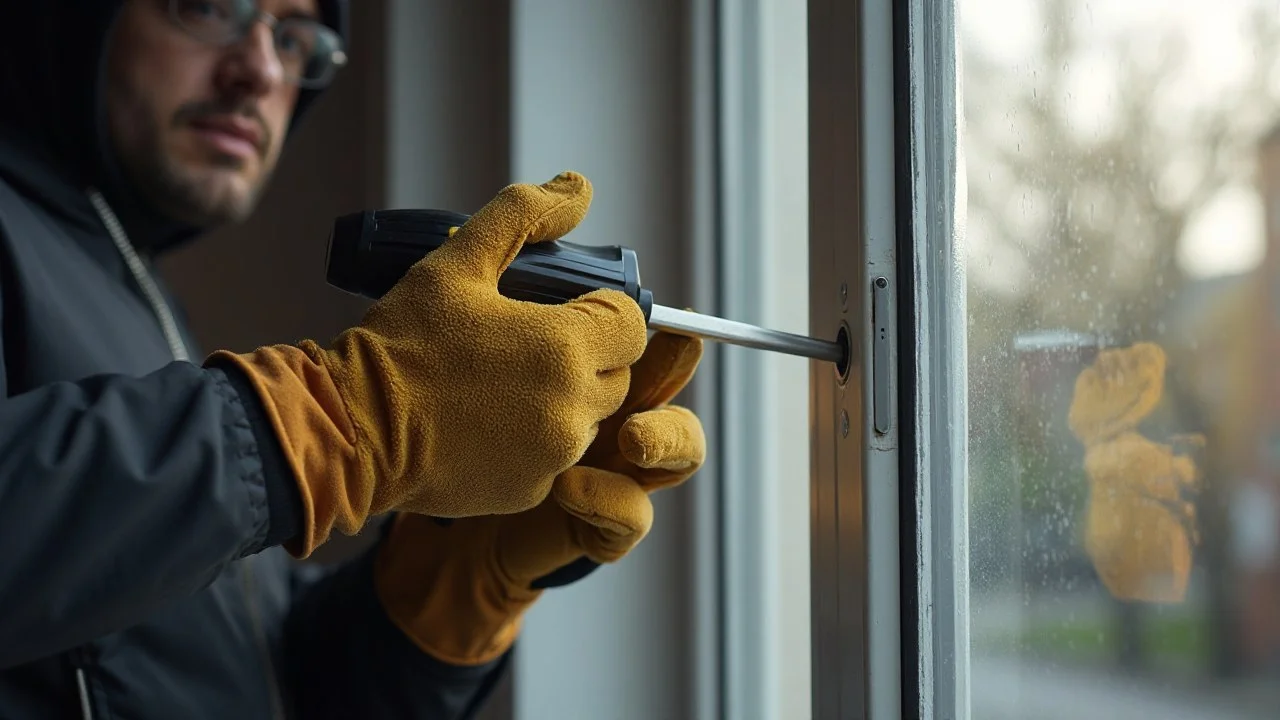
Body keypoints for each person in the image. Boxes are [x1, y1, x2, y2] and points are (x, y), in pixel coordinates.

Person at [0, 0, 707, 718]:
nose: (262, 69)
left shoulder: (134, 289)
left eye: (292, 36)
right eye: (206, 6)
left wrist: (448, 589)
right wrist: (334, 417)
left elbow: (252, 681)